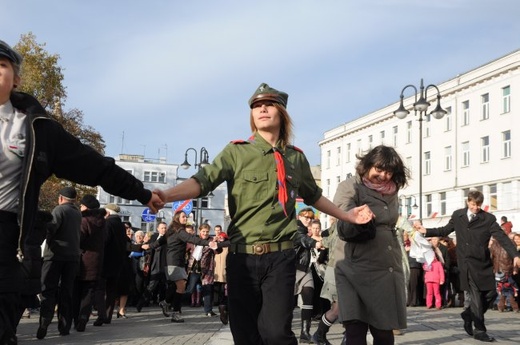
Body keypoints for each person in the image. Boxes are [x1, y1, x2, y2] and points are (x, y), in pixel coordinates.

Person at [153, 82, 373, 344]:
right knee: (245, 335)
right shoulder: (236, 152)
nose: (262, 109)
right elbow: (203, 181)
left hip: (280, 257)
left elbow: (314, 197)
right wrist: (167, 195)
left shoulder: (296, 158)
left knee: (276, 333)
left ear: (282, 113)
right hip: (242, 256)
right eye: (257, 106)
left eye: (268, 104)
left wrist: (347, 216)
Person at [0, 40, 162, 344]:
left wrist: (141, 193)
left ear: (16, 78)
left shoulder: (37, 128)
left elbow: (94, 166)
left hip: (7, 237)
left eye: (1, 65)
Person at [414, 190, 520, 342]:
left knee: (491, 293)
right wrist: (426, 231)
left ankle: (468, 314)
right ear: (467, 202)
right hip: (466, 263)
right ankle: (480, 330)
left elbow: (502, 237)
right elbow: (444, 230)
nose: (475, 207)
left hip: (483, 263)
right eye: (472, 204)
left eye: (478, 205)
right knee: (475, 296)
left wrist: (515, 255)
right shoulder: (458, 215)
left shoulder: (488, 219)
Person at [334, 145, 410, 345]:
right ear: (367, 165)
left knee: (384, 333)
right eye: (379, 169)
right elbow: (343, 221)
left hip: (385, 268)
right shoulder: (350, 186)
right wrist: (358, 218)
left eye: (389, 171)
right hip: (354, 268)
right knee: (355, 332)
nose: (384, 176)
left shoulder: (392, 190)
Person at [146, 211, 219, 323]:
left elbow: (159, 242)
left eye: (186, 217)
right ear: (177, 218)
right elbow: (192, 239)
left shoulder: (172, 230)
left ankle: (165, 302)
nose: (186, 218)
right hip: (173, 262)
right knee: (181, 286)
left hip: (176, 262)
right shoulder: (179, 231)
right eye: (183, 217)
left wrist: (148, 246)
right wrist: (207, 243)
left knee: (176, 286)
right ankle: (175, 313)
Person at [37, 187, 83, 339]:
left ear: (61, 198)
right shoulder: (77, 213)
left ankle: (45, 321)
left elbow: (52, 228)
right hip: (73, 257)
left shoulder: (59, 210)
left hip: (55, 255)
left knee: (48, 289)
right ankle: (64, 326)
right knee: (66, 292)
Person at [73, 194, 106, 332]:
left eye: (81, 205)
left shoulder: (84, 220)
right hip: (97, 260)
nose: (80, 207)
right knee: (89, 292)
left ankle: (76, 319)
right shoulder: (103, 222)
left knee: (77, 291)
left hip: (83, 260)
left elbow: (78, 239)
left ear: (86, 207)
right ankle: (83, 318)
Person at [293, 208, 322, 343]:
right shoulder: (296, 229)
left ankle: (305, 332)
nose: (308, 220)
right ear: (299, 217)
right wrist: (315, 243)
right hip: (293, 269)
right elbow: (302, 239)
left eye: (311, 218)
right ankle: (283, 330)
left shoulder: (305, 230)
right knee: (287, 303)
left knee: (309, 296)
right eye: (306, 217)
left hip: (305, 269)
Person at [312, 217, 341, 345]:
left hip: (349, 269)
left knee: (346, 307)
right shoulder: (342, 223)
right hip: (337, 269)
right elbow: (329, 241)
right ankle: (319, 335)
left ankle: (320, 335)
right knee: (337, 308)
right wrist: (319, 240)